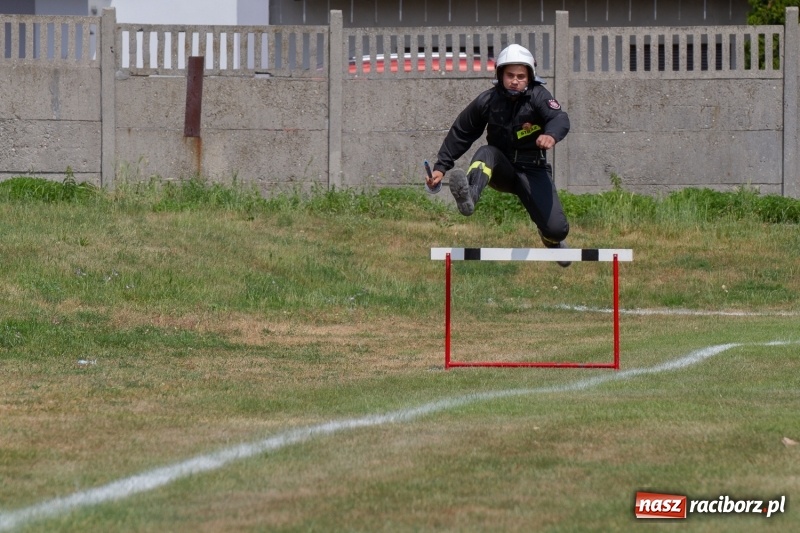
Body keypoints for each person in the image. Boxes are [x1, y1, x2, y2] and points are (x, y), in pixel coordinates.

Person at [425, 43, 572, 267]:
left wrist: (551, 135)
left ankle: (551, 241)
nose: (515, 80)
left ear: (530, 76)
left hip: (532, 169)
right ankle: (469, 197)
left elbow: (559, 118)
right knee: (486, 152)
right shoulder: (488, 100)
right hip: (501, 168)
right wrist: (440, 167)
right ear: (500, 75)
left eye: (521, 76)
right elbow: (462, 131)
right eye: (510, 75)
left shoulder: (540, 96)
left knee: (557, 230)